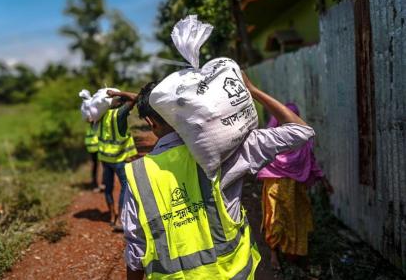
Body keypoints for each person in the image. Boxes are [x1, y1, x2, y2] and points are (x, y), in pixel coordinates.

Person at [121, 73, 316, 280]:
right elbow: (300, 130)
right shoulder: (228, 151)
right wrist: (252, 90)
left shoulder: (139, 174)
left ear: (151, 122)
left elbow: (136, 252)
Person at [257, 103, 333, 271]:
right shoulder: (270, 140)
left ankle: (293, 254)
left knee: (294, 220)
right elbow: (255, 154)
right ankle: (274, 252)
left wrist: (324, 180)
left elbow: (312, 162)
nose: (288, 124)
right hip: (274, 185)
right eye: (284, 119)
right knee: (274, 219)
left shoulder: (301, 141)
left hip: (294, 189)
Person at [97, 90, 138, 230]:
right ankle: (120, 220)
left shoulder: (101, 115)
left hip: (104, 158)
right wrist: (118, 92)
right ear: (118, 103)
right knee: (125, 186)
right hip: (119, 159)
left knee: (108, 188)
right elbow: (136, 97)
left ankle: (112, 216)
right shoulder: (120, 114)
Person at [84, 120, 100, 190]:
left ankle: (95, 183)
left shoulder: (89, 129)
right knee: (100, 166)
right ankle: (96, 184)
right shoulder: (96, 128)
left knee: (95, 166)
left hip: (91, 149)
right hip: (96, 149)